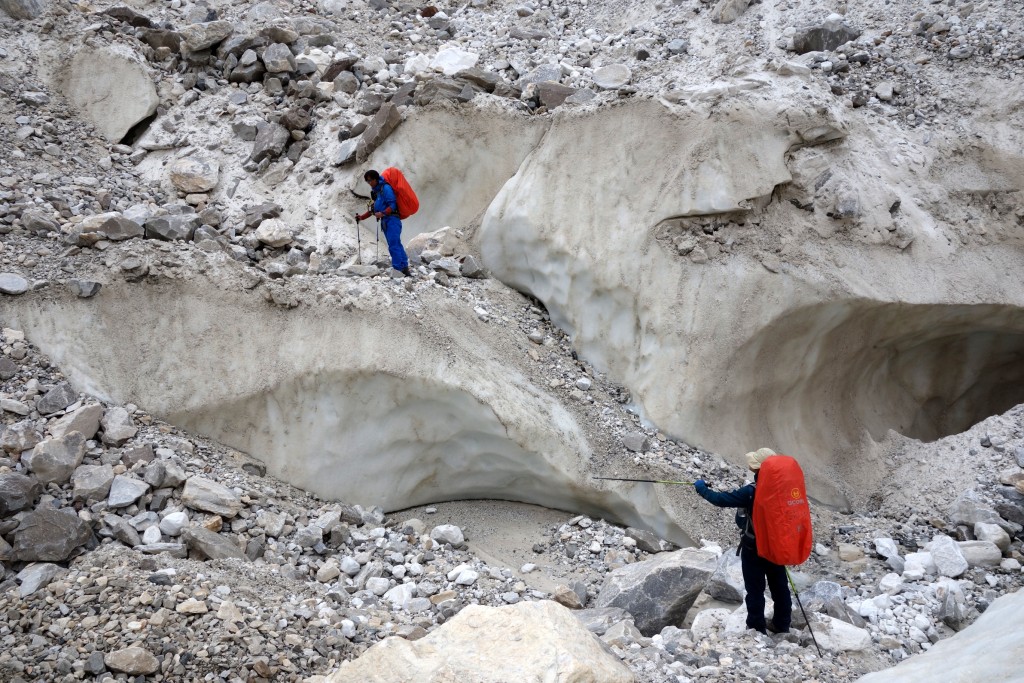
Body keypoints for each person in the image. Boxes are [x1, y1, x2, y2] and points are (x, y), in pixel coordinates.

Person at [693, 447, 792, 635]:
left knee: (755, 589)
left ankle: (756, 628)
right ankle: (782, 624)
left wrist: (701, 489)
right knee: (780, 587)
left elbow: (720, 499)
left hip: (754, 547)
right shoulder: (783, 489)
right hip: (777, 546)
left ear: (758, 469)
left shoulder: (751, 492)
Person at [355, 169, 410, 277]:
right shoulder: (377, 192)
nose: (369, 183)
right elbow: (373, 210)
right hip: (387, 221)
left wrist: (383, 213)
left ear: (376, 179)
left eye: (370, 180)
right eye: (367, 181)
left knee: (394, 245)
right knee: (396, 244)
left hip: (392, 220)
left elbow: (392, 204)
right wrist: (361, 217)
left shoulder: (386, 188)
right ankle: (404, 269)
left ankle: (398, 270)